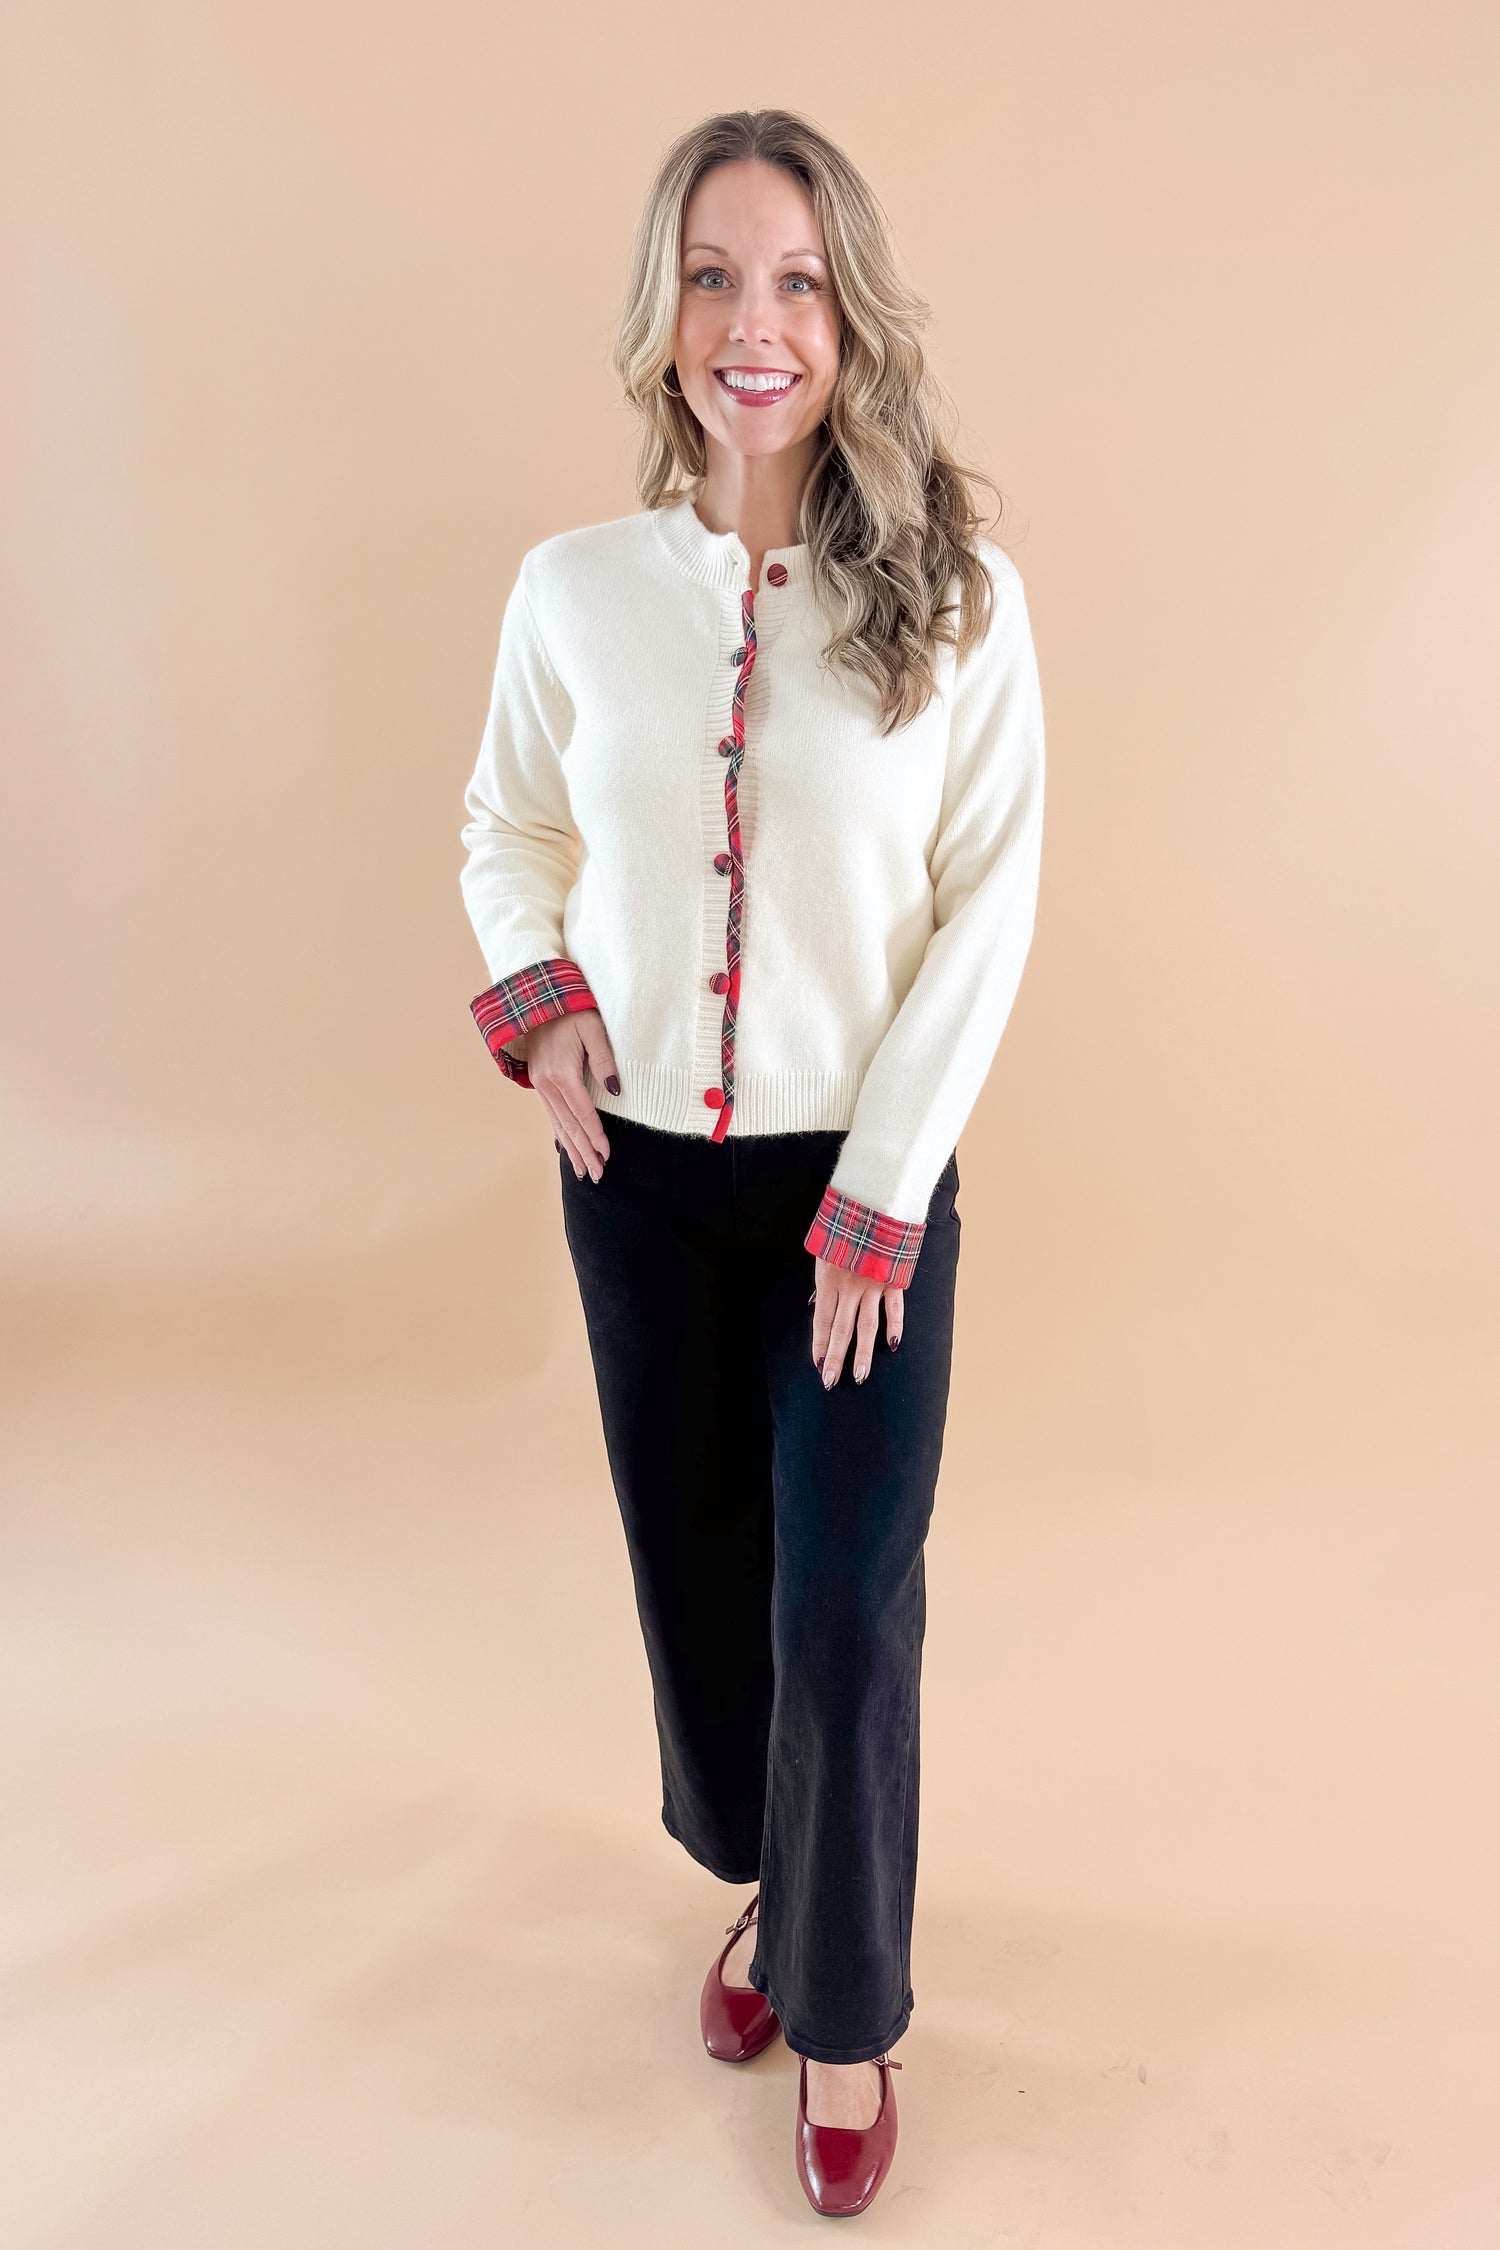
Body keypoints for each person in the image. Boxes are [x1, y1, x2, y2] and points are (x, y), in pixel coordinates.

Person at [458, 106, 1045, 2218]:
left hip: (850, 1191)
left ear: (848, 312)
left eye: (795, 277)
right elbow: (505, 828)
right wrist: (535, 998)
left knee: (844, 1604)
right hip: (637, 1183)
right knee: (699, 1576)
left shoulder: (960, 599)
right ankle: (776, 1892)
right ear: (665, 315)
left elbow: (993, 899)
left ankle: (849, 2009)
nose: (755, 321)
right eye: (715, 274)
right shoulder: (574, 594)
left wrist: (885, 1182)